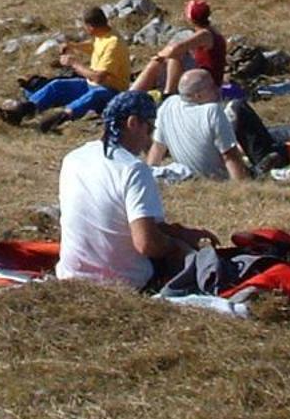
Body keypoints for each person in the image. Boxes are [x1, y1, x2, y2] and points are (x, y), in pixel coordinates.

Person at [56, 91, 219, 289]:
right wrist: (177, 245)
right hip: (123, 281)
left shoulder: (74, 158)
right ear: (133, 123)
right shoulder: (133, 169)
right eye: (149, 128)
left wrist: (180, 231)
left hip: (71, 274)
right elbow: (147, 243)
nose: (149, 140)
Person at [0, 5, 131, 131]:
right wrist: (74, 46)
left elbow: (99, 77)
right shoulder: (104, 34)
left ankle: (61, 117)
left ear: (90, 27)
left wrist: (74, 63)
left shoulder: (114, 44)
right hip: (91, 84)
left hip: (112, 91)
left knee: (95, 95)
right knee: (57, 85)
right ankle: (24, 110)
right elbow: (95, 47)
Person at [149, 69, 251, 181]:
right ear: (198, 96)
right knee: (239, 107)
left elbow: (158, 147)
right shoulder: (212, 111)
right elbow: (230, 156)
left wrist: (149, 174)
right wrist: (242, 185)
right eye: (212, 86)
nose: (218, 89)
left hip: (193, 174)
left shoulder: (168, 105)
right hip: (218, 177)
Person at [129, 0, 225, 97]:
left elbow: (176, 48)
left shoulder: (205, 35)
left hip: (207, 83)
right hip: (204, 78)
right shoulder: (211, 32)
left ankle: (167, 94)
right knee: (167, 59)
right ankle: (134, 94)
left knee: (173, 56)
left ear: (190, 18)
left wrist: (159, 56)